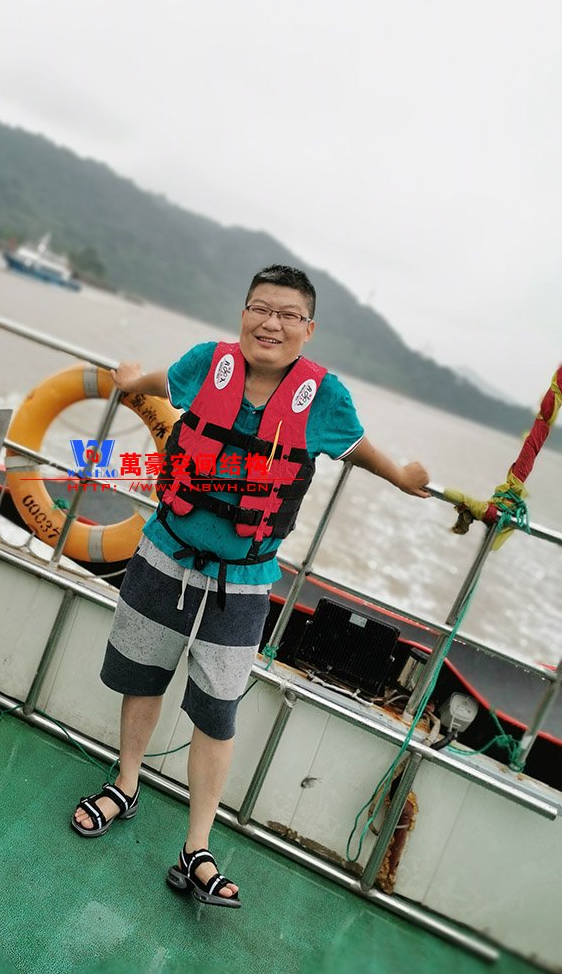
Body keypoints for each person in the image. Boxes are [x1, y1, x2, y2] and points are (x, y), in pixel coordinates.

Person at [71, 264, 430, 909]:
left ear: (308, 329)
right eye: (261, 309)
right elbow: (161, 382)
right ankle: (125, 785)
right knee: (142, 676)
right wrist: (129, 380)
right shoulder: (207, 363)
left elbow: (358, 448)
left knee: (217, 711)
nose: (272, 323)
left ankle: (197, 847)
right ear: (243, 314)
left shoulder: (324, 398)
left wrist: (402, 477)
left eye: (289, 315)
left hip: (242, 583)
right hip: (164, 553)